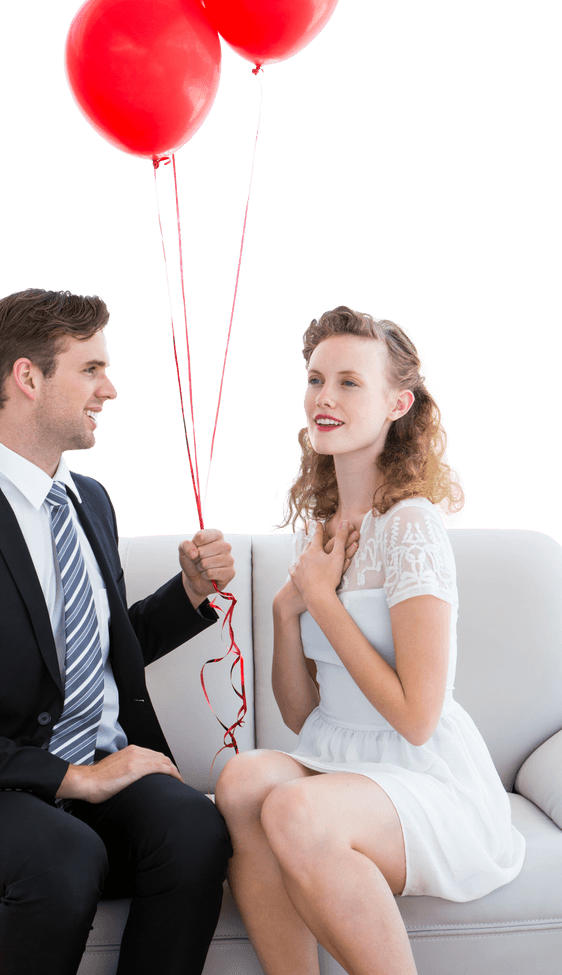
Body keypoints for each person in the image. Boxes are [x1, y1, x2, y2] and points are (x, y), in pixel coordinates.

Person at [0, 287, 235, 975]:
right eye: (91, 369)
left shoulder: (90, 500)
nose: (110, 389)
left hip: (99, 774)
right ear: (27, 378)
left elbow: (90, 656)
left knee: (195, 829)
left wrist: (189, 595)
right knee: (64, 855)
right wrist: (71, 779)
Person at [215, 305, 525, 975]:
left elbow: (417, 719)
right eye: (314, 379)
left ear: (396, 403)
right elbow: (301, 716)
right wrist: (286, 613)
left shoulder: (411, 525)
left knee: (297, 809)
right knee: (241, 782)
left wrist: (324, 603)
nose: (323, 398)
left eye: (349, 382)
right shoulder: (317, 530)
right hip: (339, 753)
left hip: (422, 776)